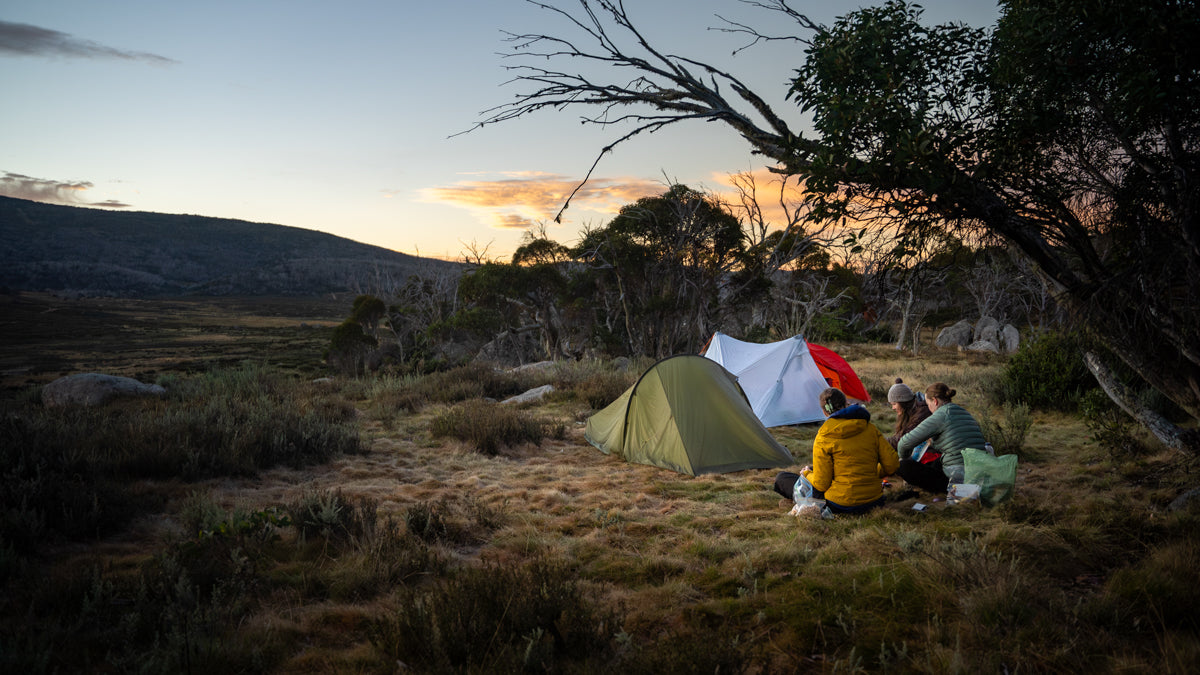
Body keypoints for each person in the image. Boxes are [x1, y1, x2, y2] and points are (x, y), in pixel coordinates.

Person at [773, 387, 900, 515]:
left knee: (783, 478)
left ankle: (799, 501)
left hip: (840, 505)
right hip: (873, 501)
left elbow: (821, 484)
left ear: (824, 412)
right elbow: (892, 465)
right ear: (846, 404)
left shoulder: (824, 436)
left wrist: (806, 474)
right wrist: (869, 472)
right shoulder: (870, 428)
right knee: (817, 469)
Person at [895, 382, 987, 493]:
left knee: (903, 466)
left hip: (958, 475)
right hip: (980, 473)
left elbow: (904, 443)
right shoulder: (964, 413)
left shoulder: (941, 415)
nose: (929, 408)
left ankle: (950, 490)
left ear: (935, 401)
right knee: (937, 461)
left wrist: (904, 458)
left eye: (928, 404)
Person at [885, 378, 932, 450]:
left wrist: (880, 441)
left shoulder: (921, 414)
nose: (893, 408)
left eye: (894, 404)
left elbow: (904, 441)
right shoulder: (909, 412)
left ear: (903, 402)